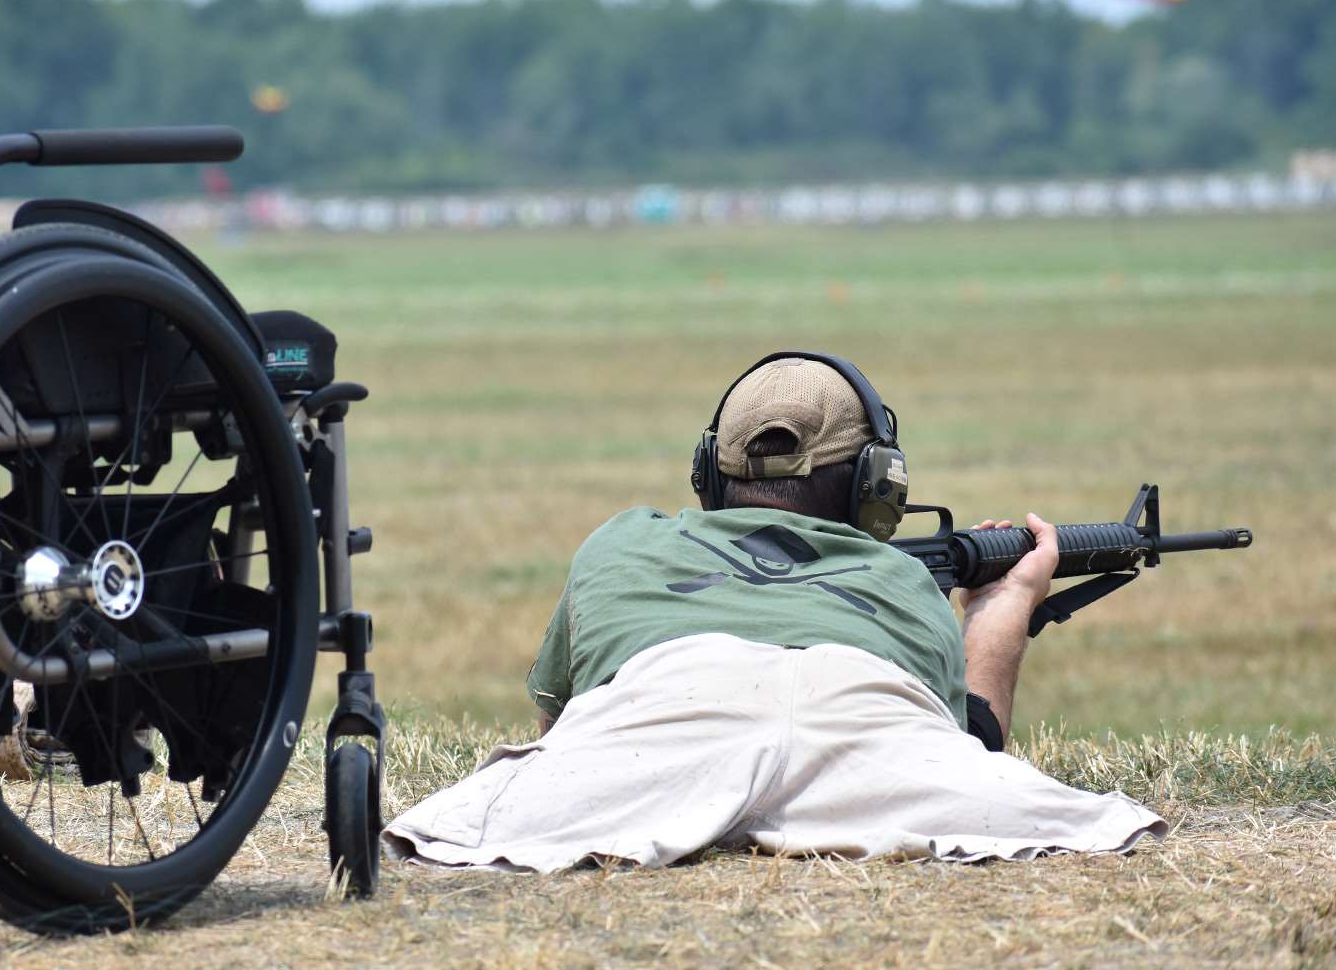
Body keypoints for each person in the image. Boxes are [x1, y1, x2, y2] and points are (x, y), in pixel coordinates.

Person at [383, 354, 1166, 871]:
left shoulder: (622, 542)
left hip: (662, 702)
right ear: (876, 487)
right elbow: (972, 737)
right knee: (1062, 822)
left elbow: (564, 718)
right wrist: (1006, 602)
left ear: (708, 473)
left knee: (467, 827)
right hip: (854, 707)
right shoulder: (895, 577)